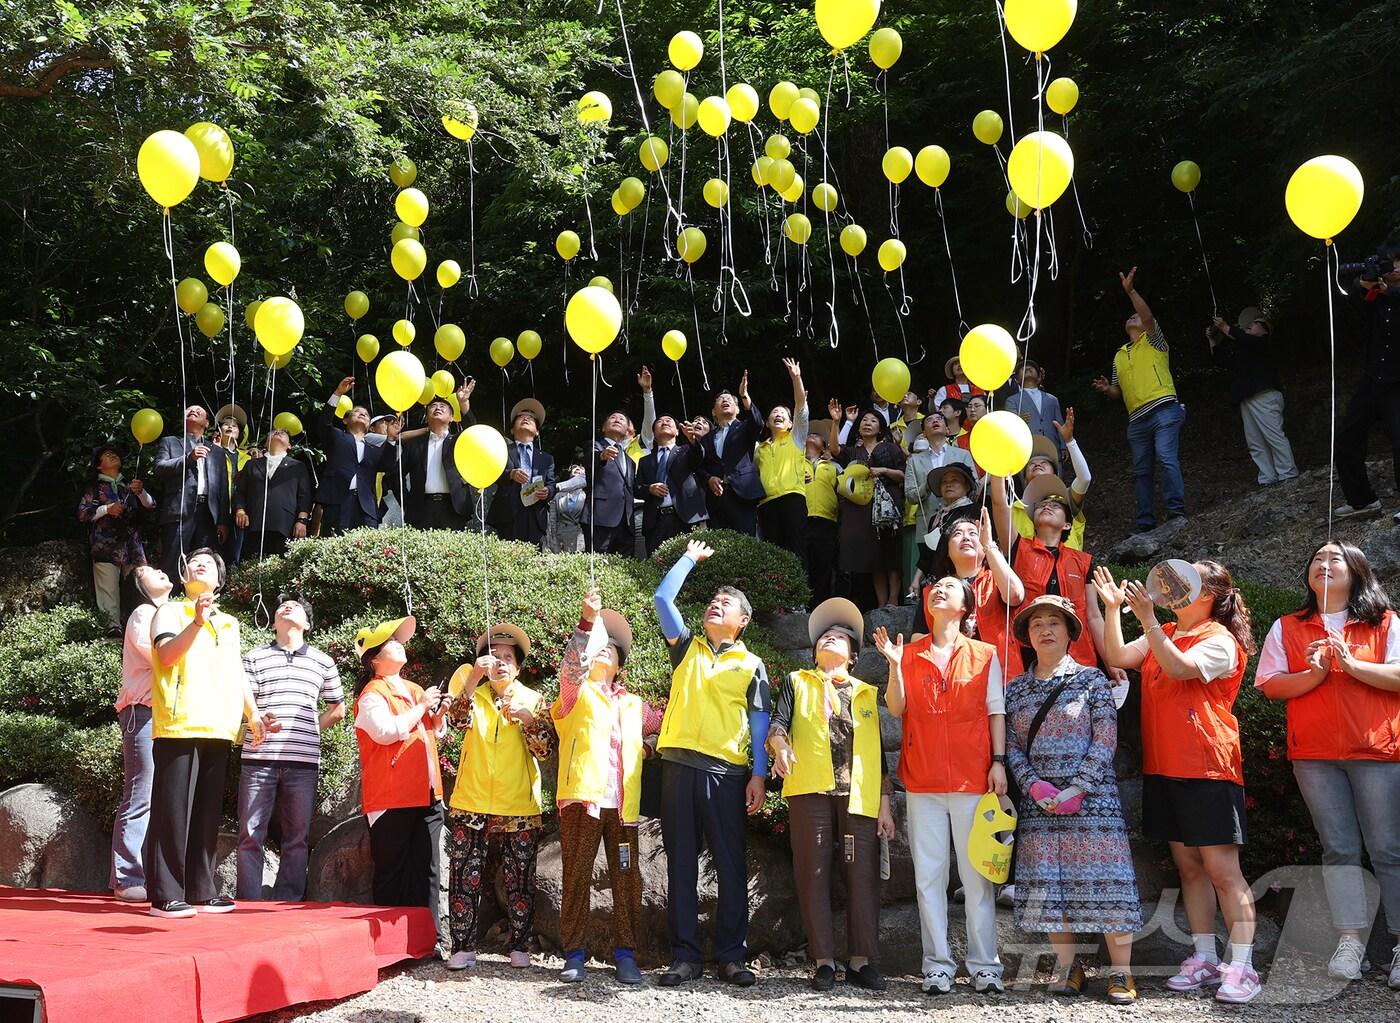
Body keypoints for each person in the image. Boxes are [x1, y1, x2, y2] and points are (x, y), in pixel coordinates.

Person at [1095, 561, 1259, 1003]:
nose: (1172, 584)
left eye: (1188, 579)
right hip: (1165, 766)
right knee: (1189, 869)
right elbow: (1118, 657)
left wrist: (1148, 620)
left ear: (1208, 594)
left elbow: (1182, 668)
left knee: (1224, 872)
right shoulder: (1166, 628)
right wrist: (1113, 610)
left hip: (1208, 766)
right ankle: (1205, 956)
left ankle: (1242, 966)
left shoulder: (1218, 639)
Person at [1254, 541, 1400, 988]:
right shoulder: (1288, 625)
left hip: (1376, 750)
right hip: (1315, 755)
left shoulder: (1386, 621)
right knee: (1338, 850)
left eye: (1334, 558)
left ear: (1356, 570)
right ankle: (1350, 941)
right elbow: (1271, 684)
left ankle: (1399, 944)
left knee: (1388, 850)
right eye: (1317, 558)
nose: (1323, 563)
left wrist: (1351, 664)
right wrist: (1314, 675)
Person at [1005, 595, 1142, 1003]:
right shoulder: (1015, 690)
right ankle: (1069, 967)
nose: (1045, 630)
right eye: (1036, 624)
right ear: (1028, 636)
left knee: (1108, 883)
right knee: (1050, 886)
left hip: (1094, 801)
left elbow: (1105, 738)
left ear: (1070, 633)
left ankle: (1122, 973)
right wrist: (1032, 784)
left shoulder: (1092, 681)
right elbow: (1011, 745)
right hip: (1039, 804)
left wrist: (1078, 786)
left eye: (1054, 623)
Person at [876, 575, 1008, 995]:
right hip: (923, 780)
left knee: (977, 879)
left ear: (966, 605)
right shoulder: (909, 653)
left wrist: (999, 762)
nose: (938, 590)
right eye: (934, 587)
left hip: (974, 778)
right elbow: (896, 707)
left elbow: (996, 712)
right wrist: (895, 666)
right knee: (928, 878)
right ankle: (937, 964)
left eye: (949, 586)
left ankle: (985, 965)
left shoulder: (985, 654)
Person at [652, 540, 771, 987]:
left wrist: (758, 773)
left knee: (730, 864)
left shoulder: (753, 664)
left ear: (743, 622)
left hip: (726, 773)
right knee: (680, 862)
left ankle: (731, 956)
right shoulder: (685, 647)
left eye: (728, 604)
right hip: (678, 766)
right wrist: (689, 559)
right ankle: (684, 956)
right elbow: (664, 598)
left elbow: (759, 724)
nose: (716, 606)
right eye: (713, 601)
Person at [768, 598, 895, 992]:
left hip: (858, 796)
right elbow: (777, 725)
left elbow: (878, 755)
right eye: (825, 635)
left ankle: (860, 961)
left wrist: (885, 805)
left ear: (853, 656)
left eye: (839, 637)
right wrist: (780, 747)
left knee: (862, 875)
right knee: (813, 873)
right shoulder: (797, 681)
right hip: (810, 792)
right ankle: (823, 961)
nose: (830, 639)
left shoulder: (866, 693)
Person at [552, 589, 663, 985]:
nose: (602, 654)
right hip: (582, 800)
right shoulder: (575, 693)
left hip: (623, 808)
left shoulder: (636, 705)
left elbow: (665, 725)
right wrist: (586, 623)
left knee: (626, 878)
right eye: (598, 649)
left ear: (619, 666)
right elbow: (569, 669)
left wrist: (650, 746)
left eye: (610, 652)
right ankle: (574, 953)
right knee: (576, 877)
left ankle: (626, 954)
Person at [146, 548, 264, 918]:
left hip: (219, 724)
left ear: (220, 580)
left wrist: (254, 714)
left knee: (207, 812)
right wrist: (195, 622)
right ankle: (165, 892)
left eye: (209, 563)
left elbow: (236, 673)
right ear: (184, 578)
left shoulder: (229, 623)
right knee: (173, 809)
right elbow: (165, 656)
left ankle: (201, 888)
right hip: (180, 722)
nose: (200, 565)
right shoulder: (169, 611)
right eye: (193, 562)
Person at [443, 623, 554, 970]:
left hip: (518, 801)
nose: (501, 662)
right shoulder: (471, 693)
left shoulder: (534, 700)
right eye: (494, 656)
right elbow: (456, 724)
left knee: (519, 878)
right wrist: (473, 678)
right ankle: (462, 947)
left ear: (519, 667)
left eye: (509, 657)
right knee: (463, 875)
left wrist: (528, 722)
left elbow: (546, 751)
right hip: (471, 799)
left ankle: (521, 946)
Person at [236, 594, 344, 901]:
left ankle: (288, 903)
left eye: (294, 606)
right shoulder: (254, 657)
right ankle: (247, 902)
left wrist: (309, 729)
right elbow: (247, 705)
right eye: (281, 606)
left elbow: (338, 708)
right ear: (273, 623)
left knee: (296, 838)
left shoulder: (323, 661)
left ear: (307, 624)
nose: (286, 607)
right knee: (250, 834)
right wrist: (258, 718)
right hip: (258, 756)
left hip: (304, 760)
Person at [352, 615, 450, 950]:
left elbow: (434, 731)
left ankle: (429, 940)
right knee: (392, 870)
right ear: (375, 659)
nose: (399, 643)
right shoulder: (371, 694)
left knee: (429, 869)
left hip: (426, 791)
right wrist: (422, 707)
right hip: (391, 795)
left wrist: (439, 714)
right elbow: (385, 733)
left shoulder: (414, 689)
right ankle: (389, 947)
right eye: (390, 641)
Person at [991, 473, 1119, 690]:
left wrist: (1112, 662)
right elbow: (999, 504)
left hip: (1077, 657)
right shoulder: (1018, 548)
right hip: (1027, 653)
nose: (1046, 506)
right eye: (1041, 505)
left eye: (1055, 506)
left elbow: (1093, 616)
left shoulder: (1082, 561)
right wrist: (997, 471)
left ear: (1068, 525)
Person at [1092, 267, 1187, 533]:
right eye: (1130, 316)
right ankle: (1146, 523)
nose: (1134, 316)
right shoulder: (1119, 355)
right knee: (1141, 471)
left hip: (1164, 410)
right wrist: (1106, 389)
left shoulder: (1155, 340)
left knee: (1167, 458)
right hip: (1136, 420)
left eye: (1136, 315)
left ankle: (1176, 513)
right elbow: (1117, 391)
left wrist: (1131, 291)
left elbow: (1146, 315)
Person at [110, 564, 172, 903]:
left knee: (158, 795)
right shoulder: (144, 612)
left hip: (170, 715)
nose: (160, 571)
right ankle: (126, 876)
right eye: (150, 571)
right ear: (139, 585)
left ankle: (149, 874)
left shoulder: (172, 613)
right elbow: (157, 656)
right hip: (143, 710)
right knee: (141, 793)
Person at [1335, 243, 1400, 522]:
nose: (1394, 268)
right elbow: (1350, 321)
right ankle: (1362, 500)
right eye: (1389, 263)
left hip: (1398, 382)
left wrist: (1392, 293)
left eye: (1398, 263)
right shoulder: (1377, 295)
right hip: (1374, 379)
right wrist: (1361, 288)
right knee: (1347, 436)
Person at [921, 510, 1025, 676]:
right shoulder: (934, 591)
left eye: (973, 533)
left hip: (1001, 676)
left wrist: (989, 545)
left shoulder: (997, 580)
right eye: (957, 534)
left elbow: (1015, 595)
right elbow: (917, 639)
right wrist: (952, 636)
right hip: (952, 679)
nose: (966, 538)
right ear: (946, 549)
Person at [1207, 310, 1298, 487]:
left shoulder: (1264, 343)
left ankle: (1288, 472)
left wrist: (1226, 327)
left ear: (1265, 329)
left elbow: (1245, 339)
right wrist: (1212, 341)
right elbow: (1224, 362)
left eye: (1254, 323)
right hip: (1247, 398)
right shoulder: (1245, 351)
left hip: (1264, 395)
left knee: (1273, 435)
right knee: (1255, 441)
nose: (1249, 326)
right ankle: (1267, 476)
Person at [831, 408, 907, 609]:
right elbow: (834, 450)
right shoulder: (853, 451)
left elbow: (904, 475)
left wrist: (883, 470)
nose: (867, 423)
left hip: (888, 507)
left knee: (891, 553)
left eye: (873, 420)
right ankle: (882, 604)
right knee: (874, 557)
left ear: (880, 427)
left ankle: (893, 600)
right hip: (862, 510)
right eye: (864, 420)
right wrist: (836, 422)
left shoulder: (891, 449)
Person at [79, 441, 155, 633]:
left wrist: (141, 492)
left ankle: (142, 624)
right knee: (107, 587)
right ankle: (112, 627)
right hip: (105, 544)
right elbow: (82, 514)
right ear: (98, 465)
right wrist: (106, 509)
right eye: (107, 454)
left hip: (131, 543)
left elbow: (151, 505)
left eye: (115, 454)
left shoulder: (129, 486)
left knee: (139, 582)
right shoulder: (94, 489)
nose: (113, 455)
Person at [153, 405, 230, 581]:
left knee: (205, 559)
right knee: (173, 558)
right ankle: (168, 600)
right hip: (179, 509)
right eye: (189, 410)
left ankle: (201, 599)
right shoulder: (170, 442)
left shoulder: (217, 451)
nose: (193, 411)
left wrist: (223, 520)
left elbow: (222, 488)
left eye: (199, 411)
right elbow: (160, 468)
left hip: (208, 513)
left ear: (207, 423)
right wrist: (189, 458)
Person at [317, 379, 400, 533]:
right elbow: (324, 423)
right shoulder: (336, 437)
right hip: (337, 502)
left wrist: (391, 439)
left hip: (366, 507)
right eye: (357, 412)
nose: (363, 414)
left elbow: (388, 465)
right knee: (335, 546)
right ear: (345, 420)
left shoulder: (374, 450)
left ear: (369, 426)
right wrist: (338, 393)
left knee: (365, 550)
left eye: (366, 414)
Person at [397, 386, 477, 530]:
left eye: (443, 406)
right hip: (421, 509)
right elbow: (397, 474)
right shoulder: (415, 444)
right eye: (433, 406)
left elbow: (473, 431)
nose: (437, 407)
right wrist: (406, 500)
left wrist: (463, 403)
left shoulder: (457, 442)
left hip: (453, 508)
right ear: (427, 417)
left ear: (452, 417)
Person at [697, 374, 765, 535]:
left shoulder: (745, 428)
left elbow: (757, 423)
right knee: (718, 547)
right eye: (721, 400)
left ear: (738, 409)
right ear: (714, 411)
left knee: (744, 542)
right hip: (716, 498)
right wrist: (708, 478)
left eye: (730, 400)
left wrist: (744, 395)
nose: (725, 401)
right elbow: (699, 466)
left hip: (742, 494)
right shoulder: (707, 438)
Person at [756, 358, 810, 561]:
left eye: (782, 414)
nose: (778, 414)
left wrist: (796, 378)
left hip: (793, 498)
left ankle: (802, 592)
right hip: (767, 504)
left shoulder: (796, 437)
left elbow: (801, 407)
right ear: (768, 422)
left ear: (790, 424)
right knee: (773, 555)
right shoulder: (759, 449)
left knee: (797, 549)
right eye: (774, 413)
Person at [1009, 422, 1092, 551]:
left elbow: (1084, 478)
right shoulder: (1014, 509)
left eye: (1044, 463)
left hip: (1067, 568)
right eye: (1031, 464)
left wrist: (1069, 441)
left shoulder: (1065, 500)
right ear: (1025, 479)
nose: (1037, 465)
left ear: (1055, 475)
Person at [904, 411, 976, 557]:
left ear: (947, 429)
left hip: (960, 523)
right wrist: (930, 482)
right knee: (927, 571)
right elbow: (911, 496)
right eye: (929, 420)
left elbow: (973, 488)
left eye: (940, 419)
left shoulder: (963, 455)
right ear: (924, 432)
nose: (935, 421)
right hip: (927, 525)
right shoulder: (914, 460)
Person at [233, 428, 312, 559]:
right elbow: (240, 491)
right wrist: (240, 511)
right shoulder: (252, 464)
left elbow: (304, 496)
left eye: (283, 433)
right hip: (254, 523)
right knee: (251, 562)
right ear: (265, 443)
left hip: (285, 524)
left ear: (289, 446)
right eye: (274, 431)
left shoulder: (298, 466)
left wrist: (302, 521)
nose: (278, 432)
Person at [486, 398, 555, 546]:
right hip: (508, 512)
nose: (526, 418)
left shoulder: (547, 459)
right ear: (512, 430)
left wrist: (547, 491)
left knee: (535, 560)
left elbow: (551, 484)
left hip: (536, 513)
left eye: (531, 418)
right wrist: (510, 474)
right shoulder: (501, 450)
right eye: (521, 417)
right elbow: (492, 474)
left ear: (537, 431)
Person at [637, 413, 706, 556]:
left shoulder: (686, 451)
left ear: (677, 431)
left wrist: (692, 441)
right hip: (655, 521)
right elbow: (636, 488)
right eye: (660, 421)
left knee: (687, 562)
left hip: (684, 518)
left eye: (669, 421)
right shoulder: (645, 461)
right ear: (654, 433)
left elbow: (698, 457)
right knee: (656, 564)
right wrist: (649, 488)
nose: (664, 422)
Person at [909, 463, 978, 598]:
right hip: (937, 583)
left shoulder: (976, 512)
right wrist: (916, 580)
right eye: (944, 482)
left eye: (954, 480)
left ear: (967, 485)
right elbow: (928, 554)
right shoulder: (936, 518)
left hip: (965, 582)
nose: (948, 485)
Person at [584, 410, 639, 554]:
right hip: (600, 518)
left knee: (625, 566)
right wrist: (602, 455)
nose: (617, 419)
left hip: (626, 522)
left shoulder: (629, 460)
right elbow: (591, 458)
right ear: (603, 428)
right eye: (612, 417)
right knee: (599, 563)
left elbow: (633, 487)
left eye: (622, 419)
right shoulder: (595, 445)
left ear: (627, 430)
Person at [802, 424, 841, 606]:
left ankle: (821, 605)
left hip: (827, 521)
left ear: (824, 447)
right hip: (801, 520)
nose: (811, 436)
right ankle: (802, 605)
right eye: (808, 435)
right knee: (802, 564)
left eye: (816, 436)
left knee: (824, 566)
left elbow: (844, 491)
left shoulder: (833, 467)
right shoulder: (795, 463)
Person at [1004, 361, 1067, 458]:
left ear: (1038, 377)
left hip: (1052, 446)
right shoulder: (1012, 400)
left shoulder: (1052, 399)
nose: (1028, 368)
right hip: (1026, 449)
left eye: (1032, 367)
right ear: (1017, 380)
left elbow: (1059, 424)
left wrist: (1063, 446)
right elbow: (1009, 426)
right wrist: (1018, 421)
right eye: (1023, 368)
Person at [211, 407, 248, 565]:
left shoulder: (249, 457)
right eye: (226, 424)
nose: (230, 427)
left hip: (241, 509)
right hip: (217, 508)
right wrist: (215, 450)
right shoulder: (210, 452)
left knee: (237, 552)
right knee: (214, 551)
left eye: (235, 425)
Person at [552, 462, 587, 552]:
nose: (578, 468)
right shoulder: (558, 496)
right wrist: (554, 543)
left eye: (581, 467)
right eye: (574, 467)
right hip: (562, 540)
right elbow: (552, 522)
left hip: (580, 539)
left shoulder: (588, 496)